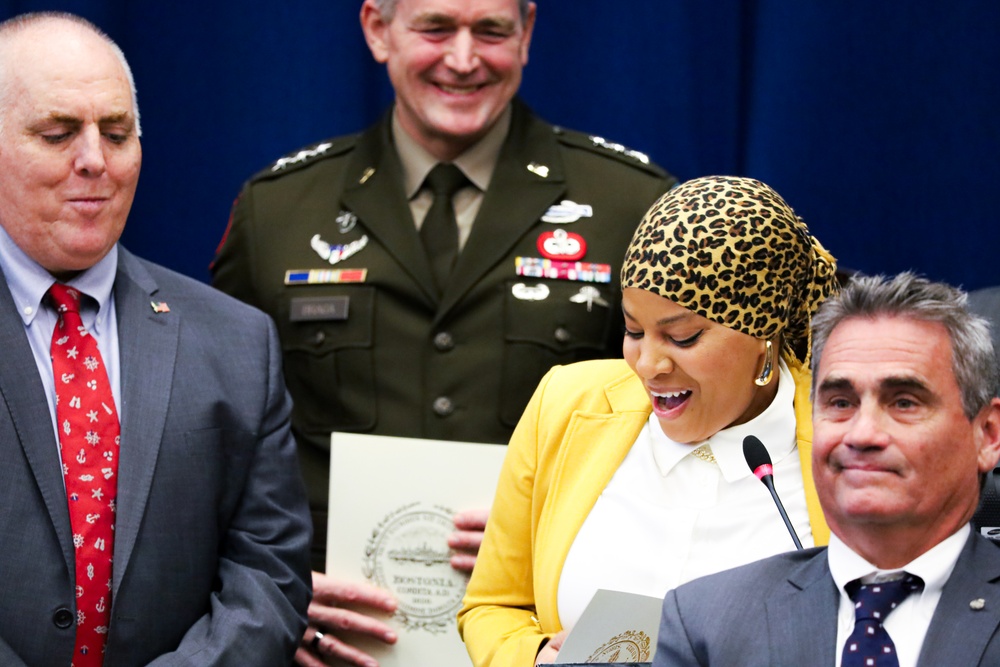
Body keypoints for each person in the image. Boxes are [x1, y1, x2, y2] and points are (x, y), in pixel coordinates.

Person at [211, 0, 675, 664]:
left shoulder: (629, 205)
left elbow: (694, 436)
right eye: (436, 28)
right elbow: (214, 450)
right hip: (333, 644)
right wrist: (273, 601)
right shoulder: (278, 210)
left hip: (548, 635)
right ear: (377, 29)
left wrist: (562, 533)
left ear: (527, 35)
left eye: (490, 30)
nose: (464, 59)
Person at [0, 12, 311, 666]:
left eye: (117, 133)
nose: (95, 161)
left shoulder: (237, 341)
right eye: (57, 133)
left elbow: (270, 573)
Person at [457, 175, 841, 666]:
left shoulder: (842, 438)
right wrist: (534, 659)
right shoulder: (567, 405)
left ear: (763, 333)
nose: (647, 365)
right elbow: (494, 605)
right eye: (633, 330)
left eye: (682, 338)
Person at [653, 272, 1000, 667]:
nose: (863, 433)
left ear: (986, 435)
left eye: (904, 402)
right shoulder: (707, 623)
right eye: (839, 402)